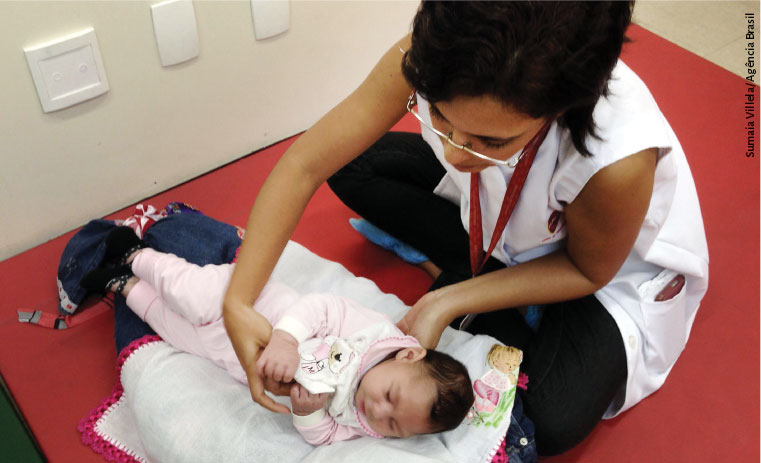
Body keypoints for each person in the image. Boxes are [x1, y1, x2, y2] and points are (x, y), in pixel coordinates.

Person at [223, 1, 709, 456]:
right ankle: (479, 269)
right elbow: (307, 163)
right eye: (439, 115)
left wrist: (448, 300)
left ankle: (473, 282)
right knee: (352, 166)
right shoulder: (433, 58)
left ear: (558, 110)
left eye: (491, 139)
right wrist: (238, 300)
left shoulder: (617, 160)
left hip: (599, 274)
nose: (454, 153)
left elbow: (588, 269)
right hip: (493, 214)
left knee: (550, 420)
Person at [81, 227, 474, 445]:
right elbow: (321, 307)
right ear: (407, 357)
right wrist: (286, 339)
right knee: (188, 293)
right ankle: (137, 255)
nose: (377, 411)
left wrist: (309, 414)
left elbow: (326, 436)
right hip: (254, 307)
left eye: (393, 426)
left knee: (176, 330)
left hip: (236, 357)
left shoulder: (359, 419)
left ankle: (124, 285)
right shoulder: (374, 337)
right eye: (390, 397)